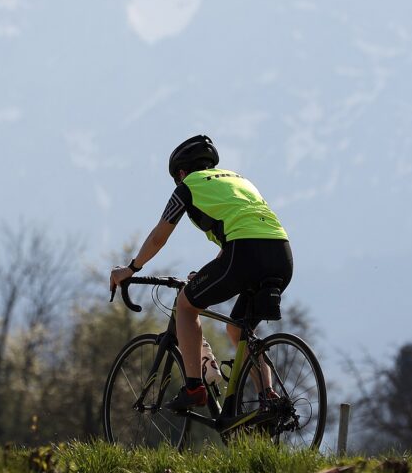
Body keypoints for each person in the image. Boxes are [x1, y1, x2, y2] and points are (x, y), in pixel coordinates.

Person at [109, 135, 293, 411]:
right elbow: (239, 234)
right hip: (282, 255)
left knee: (185, 305)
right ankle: (269, 398)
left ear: (181, 173)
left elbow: (160, 236)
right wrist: (208, 274)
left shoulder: (188, 186)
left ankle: (194, 388)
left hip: (244, 254)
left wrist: (132, 268)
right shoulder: (239, 180)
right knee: (237, 329)